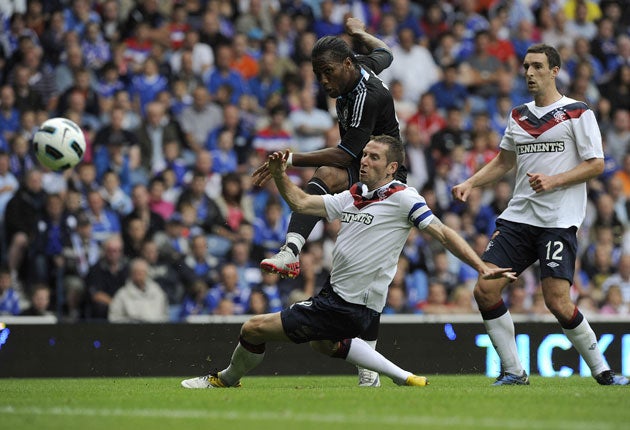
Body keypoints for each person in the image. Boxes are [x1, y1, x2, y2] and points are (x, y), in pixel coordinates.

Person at [181, 135, 515, 389]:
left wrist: (480, 266)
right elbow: (302, 203)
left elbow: (443, 233)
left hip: (348, 303)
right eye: (365, 155)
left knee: (252, 329)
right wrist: (281, 175)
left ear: (392, 168)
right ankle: (398, 377)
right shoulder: (354, 195)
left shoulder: (404, 198)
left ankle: (224, 379)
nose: (364, 161)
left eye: (373, 157)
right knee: (324, 344)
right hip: (342, 299)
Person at [452, 43, 629, 386]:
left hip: (558, 222)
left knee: (558, 302)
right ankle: (514, 371)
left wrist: (554, 180)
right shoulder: (518, 115)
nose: (529, 73)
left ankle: (603, 372)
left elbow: (597, 164)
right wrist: (471, 182)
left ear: (554, 70)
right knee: (485, 290)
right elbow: (505, 161)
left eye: (536, 66)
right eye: (525, 67)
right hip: (519, 219)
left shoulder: (578, 112)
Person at [252, 17, 404, 386]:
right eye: (318, 73)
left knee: (371, 277)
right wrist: (358, 33)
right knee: (355, 265)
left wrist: (291, 157)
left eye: (329, 72)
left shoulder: (368, 95)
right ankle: (290, 250)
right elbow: (384, 51)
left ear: (348, 65)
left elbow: (346, 153)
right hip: (361, 170)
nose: (323, 81)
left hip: (386, 179)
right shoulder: (361, 65)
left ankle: (369, 367)